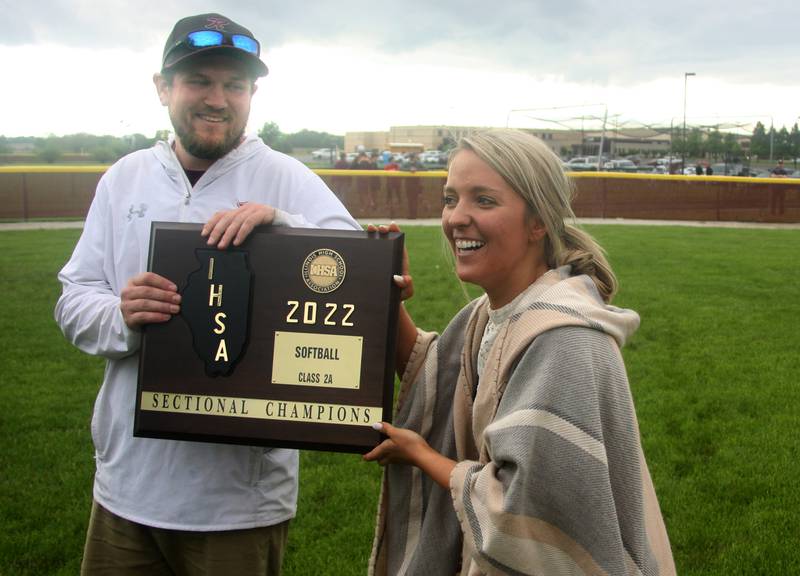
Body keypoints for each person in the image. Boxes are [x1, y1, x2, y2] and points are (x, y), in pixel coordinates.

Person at [54, 12, 360, 576]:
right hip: (126, 486)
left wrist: (286, 230)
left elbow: (358, 284)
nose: (217, 99)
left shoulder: (287, 178)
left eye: (235, 85)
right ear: (163, 87)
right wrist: (122, 316)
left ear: (252, 94)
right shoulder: (125, 179)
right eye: (199, 81)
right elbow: (74, 296)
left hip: (239, 503)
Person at [364, 129, 675, 575]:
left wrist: (422, 455)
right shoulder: (491, 314)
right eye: (450, 199)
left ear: (538, 222)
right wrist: (386, 301)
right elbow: (441, 378)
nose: (456, 218)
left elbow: (528, 514)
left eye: (484, 201)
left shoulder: (565, 339)